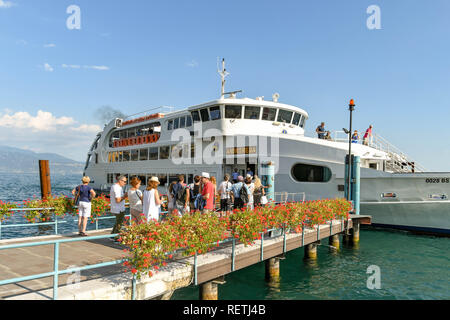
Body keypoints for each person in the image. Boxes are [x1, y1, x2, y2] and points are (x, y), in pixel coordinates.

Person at [110, 175, 128, 239]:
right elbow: (118, 200)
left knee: (117, 222)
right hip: (118, 208)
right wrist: (125, 197)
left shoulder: (114, 186)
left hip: (117, 208)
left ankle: (112, 236)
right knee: (119, 224)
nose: (125, 183)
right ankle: (116, 238)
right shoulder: (117, 188)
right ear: (120, 180)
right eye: (125, 181)